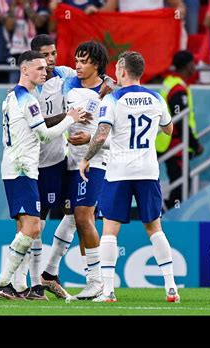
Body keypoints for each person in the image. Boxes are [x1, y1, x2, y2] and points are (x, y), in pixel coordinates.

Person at [79, 51, 180, 303]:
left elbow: (101, 136)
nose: (114, 73)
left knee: (110, 230)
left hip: (119, 172)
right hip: (148, 170)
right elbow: (169, 128)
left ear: (123, 71)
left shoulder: (113, 100)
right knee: (154, 227)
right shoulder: (156, 98)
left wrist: (86, 158)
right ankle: (171, 288)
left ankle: (109, 291)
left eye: (117, 69)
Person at [0, 50, 87, 299]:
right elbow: (44, 135)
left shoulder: (13, 95)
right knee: (33, 227)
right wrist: (69, 118)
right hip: (23, 169)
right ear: (24, 69)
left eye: (46, 68)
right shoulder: (28, 100)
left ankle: (20, 285)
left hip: (14, 167)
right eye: (39, 68)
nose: (45, 72)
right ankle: (2, 282)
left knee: (26, 227)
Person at [61, 41, 110, 300]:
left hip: (95, 163)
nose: (77, 66)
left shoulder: (111, 91)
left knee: (83, 217)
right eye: (76, 61)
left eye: (83, 62)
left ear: (96, 64)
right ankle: (94, 280)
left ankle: (97, 281)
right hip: (72, 163)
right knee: (78, 220)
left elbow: (116, 134)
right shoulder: (69, 86)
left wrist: (88, 142)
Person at [156, 50, 203, 209]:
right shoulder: (177, 89)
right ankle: (169, 215)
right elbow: (181, 120)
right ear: (188, 65)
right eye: (193, 63)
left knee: (180, 184)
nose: (195, 67)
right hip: (174, 144)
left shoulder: (171, 83)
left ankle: (166, 211)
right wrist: (195, 144)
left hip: (170, 141)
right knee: (181, 186)